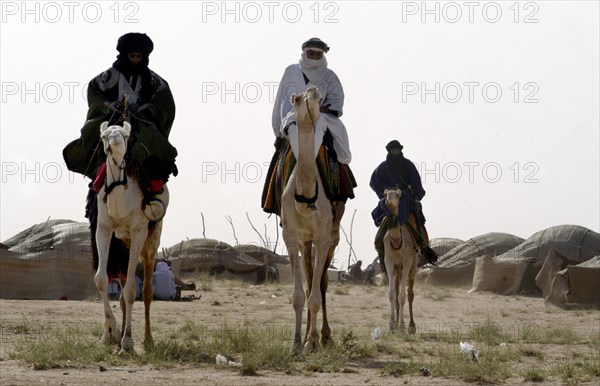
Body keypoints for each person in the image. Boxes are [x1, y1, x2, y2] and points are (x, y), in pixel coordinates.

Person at [63, 32, 177, 215]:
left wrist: (148, 109)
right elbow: (94, 96)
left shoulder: (157, 82)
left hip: (141, 123)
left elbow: (166, 106)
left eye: (139, 57)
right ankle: (95, 190)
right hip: (112, 120)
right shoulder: (106, 78)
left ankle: (154, 194)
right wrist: (108, 107)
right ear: (124, 55)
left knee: (155, 144)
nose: (135, 60)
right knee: (98, 139)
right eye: (132, 56)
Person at [262, 37, 356, 216]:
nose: (313, 57)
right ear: (304, 53)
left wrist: (318, 109)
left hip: (321, 117)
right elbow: (282, 100)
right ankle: (298, 168)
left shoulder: (330, 76)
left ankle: (314, 164)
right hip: (293, 115)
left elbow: (336, 102)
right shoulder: (291, 71)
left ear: (322, 55)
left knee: (329, 134)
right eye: (310, 53)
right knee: (292, 130)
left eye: (317, 54)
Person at [370, 140, 437, 270]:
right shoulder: (382, 167)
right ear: (389, 151)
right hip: (389, 197)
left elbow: (416, 182)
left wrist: (416, 196)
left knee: (406, 207)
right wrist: (386, 191)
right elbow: (374, 182)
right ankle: (380, 243)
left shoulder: (408, 165)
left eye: (397, 149)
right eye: (392, 150)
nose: (395, 151)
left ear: (400, 150)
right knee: (386, 208)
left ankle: (420, 242)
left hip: (405, 197)